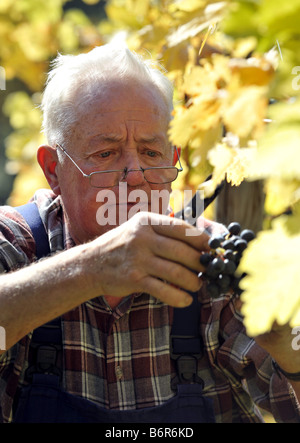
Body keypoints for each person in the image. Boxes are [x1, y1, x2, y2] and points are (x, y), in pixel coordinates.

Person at [0, 44, 299, 424]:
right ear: (53, 169)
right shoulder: (15, 243)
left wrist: (290, 348)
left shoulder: (213, 260)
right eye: (106, 154)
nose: (136, 175)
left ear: (173, 161)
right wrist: (92, 270)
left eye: (151, 153)